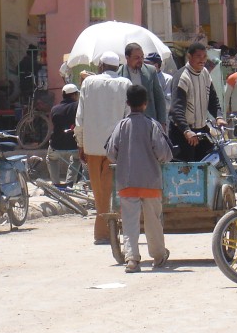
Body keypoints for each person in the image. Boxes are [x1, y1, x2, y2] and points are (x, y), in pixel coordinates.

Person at [105, 84, 173, 273]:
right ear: (146, 103)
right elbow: (163, 154)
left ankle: (132, 259)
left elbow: (111, 153)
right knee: (153, 221)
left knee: (129, 222)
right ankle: (158, 256)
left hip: (127, 183)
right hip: (151, 182)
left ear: (127, 103)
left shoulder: (121, 125)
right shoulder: (152, 125)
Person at [74, 51, 131, 243]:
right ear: (117, 67)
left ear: (100, 66)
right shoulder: (125, 84)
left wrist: (80, 144)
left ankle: (102, 233)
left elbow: (80, 118)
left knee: (98, 191)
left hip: (93, 146)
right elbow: (128, 115)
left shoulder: (89, 84)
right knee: (115, 189)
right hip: (117, 146)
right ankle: (116, 229)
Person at [169, 42, 226, 162]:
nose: (202, 60)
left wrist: (219, 116)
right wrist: (186, 130)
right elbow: (176, 109)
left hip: (201, 130)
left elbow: (212, 99)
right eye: (198, 56)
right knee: (187, 171)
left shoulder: (205, 73)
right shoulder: (182, 77)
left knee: (209, 165)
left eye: (204, 56)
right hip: (183, 132)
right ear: (189, 57)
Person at [117, 42, 168, 126]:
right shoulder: (119, 74)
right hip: (128, 122)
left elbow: (159, 98)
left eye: (142, 57)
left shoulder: (150, 71)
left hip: (149, 120)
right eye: (136, 57)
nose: (140, 60)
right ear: (127, 58)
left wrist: (162, 122)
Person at [47, 83, 81, 185]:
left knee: (51, 159)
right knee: (76, 159)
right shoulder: (78, 107)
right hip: (74, 145)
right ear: (74, 95)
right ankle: (70, 182)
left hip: (56, 145)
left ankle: (56, 183)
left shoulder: (54, 109)